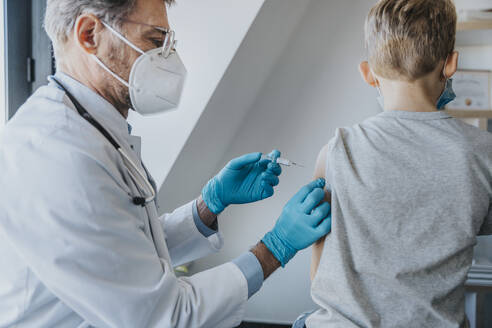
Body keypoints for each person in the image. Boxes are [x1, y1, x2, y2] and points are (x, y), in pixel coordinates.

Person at [0, 1, 332, 327]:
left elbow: (126, 254)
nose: (168, 59)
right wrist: (275, 248)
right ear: (90, 34)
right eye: (155, 41)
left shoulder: (92, 129)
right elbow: (164, 316)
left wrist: (210, 204)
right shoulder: (58, 156)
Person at [299, 0, 492, 327]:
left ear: (367, 73)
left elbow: (319, 273)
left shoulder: (336, 150)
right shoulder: (482, 152)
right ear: (451, 64)